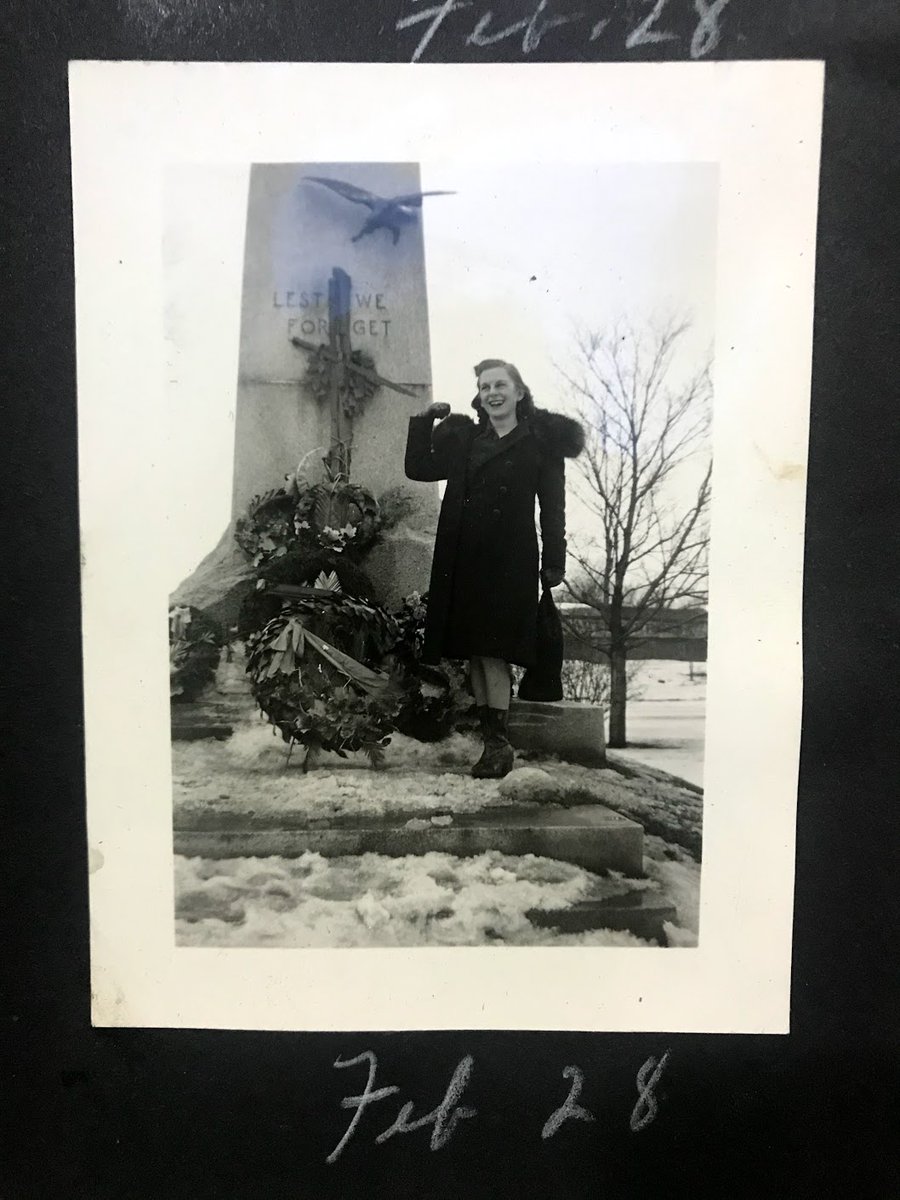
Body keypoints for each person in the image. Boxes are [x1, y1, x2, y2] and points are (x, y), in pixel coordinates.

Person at [404, 359, 584, 778]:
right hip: (464, 556)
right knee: (475, 651)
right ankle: (493, 742)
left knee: (496, 650)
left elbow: (552, 508)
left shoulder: (541, 443)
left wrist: (554, 560)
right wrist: (424, 421)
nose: (492, 393)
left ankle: (499, 745)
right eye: (485, 387)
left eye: (500, 385)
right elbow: (418, 469)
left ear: (520, 392)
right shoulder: (466, 439)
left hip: (511, 559)